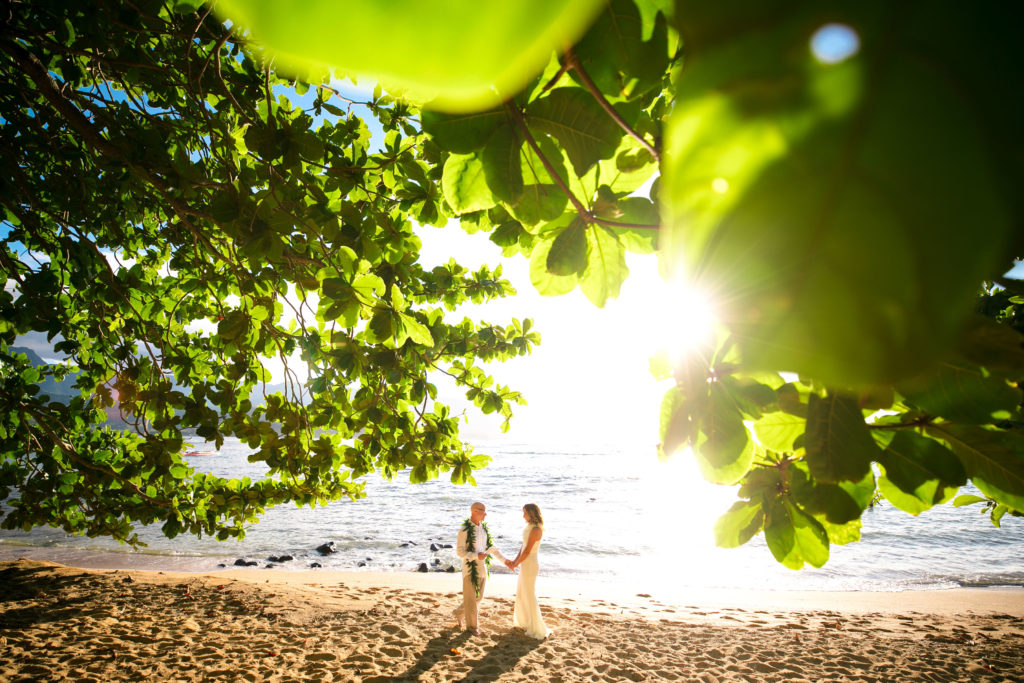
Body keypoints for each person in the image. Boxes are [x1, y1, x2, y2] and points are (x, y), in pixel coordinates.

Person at [452, 501, 507, 635]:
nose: (485, 514)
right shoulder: (464, 530)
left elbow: (491, 548)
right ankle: (472, 628)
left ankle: (459, 612)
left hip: (482, 568)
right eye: (483, 510)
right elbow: (459, 551)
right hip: (470, 569)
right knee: (471, 600)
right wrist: (476, 556)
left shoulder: (483, 529)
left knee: (478, 598)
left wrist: (505, 561)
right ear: (474, 511)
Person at [507, 502, 550, 639]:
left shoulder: (536, 530)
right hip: (524, 563)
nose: (523, 516)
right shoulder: (529, 527)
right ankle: (525, 621)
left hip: (530, 564)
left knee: (529, 593)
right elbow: (523, 547)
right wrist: (515, 560)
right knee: (522, 592)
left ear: (531, 514)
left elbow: (527, 551)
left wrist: (515, 564)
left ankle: (534, 625)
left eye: (525, 513)